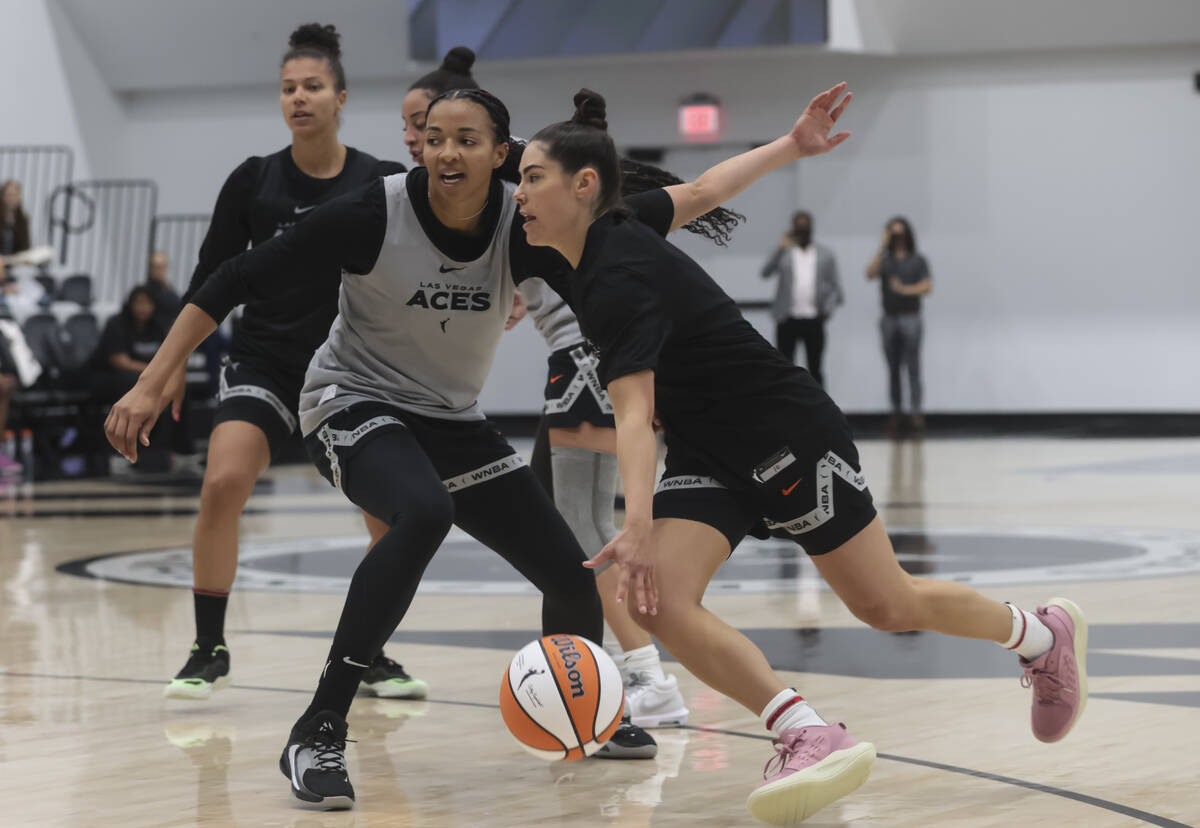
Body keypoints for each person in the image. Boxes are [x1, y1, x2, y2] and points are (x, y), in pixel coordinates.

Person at [512, 85, 1088, 825]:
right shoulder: (616, 230)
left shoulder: (617, 274)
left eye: (531, 177)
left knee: (886, 604)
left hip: (784, 434)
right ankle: (804, 731)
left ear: (582, 186)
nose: (519, 193)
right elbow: (709, 188)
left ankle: (1042, 636)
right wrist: (793, 144)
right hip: (709, 448)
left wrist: (639, 523)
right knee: (654, 599)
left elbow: (631, 414)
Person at [105, 86, 667, 808]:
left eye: (466, 140)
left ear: (501, 155)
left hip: (452, 417)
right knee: (423, 511)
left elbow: (629, 243)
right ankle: (318, 727)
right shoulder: (376, 210)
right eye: (434, 137)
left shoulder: (520, 221)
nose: (445, 152)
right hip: (351, 400)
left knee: (568, 572)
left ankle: (580, 712)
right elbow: (237, 276)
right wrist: (156, 377)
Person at [162, 23, 426, 702]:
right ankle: (208, 645)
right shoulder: (253, 180)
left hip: (354, 370)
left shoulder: (382, 183)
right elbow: (209, 282)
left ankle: (370, 653)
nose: (299, 98)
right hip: (266, 363)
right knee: (223, 482)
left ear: (340, 98)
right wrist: (164, 370)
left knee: (392, 519)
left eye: (313, 86)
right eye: (288, 88)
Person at [760, 210, 842, 386]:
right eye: (799, 229)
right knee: (784, 367)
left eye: (806, 229)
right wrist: (780, 248)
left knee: (816, 367)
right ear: (793, 229)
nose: (803, 232)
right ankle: (787, 409)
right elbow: (765, 272)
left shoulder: (824, 254)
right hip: (787, 318)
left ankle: (820, 411)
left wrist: (827, 310)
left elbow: (835, 287)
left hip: (814, 319)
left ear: (811, 229)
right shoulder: (786, 252)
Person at [867, 216, 931, 431]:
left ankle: (916, 411)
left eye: (900, 233)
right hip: (889, 317)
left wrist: (904, 290)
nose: (897, 238)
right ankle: (896, 410)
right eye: (893, 234)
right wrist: (882, 244)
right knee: (893, 367)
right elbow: (870, 273)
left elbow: (926, 286)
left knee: (913, 366)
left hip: (910, 316)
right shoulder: (886, 260)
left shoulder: (917, 259)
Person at [145, 250, 182, 331]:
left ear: (166, 267)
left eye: (160, 267)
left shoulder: (171, 292)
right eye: (154, 267)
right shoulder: (144, 293)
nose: (157, 271)